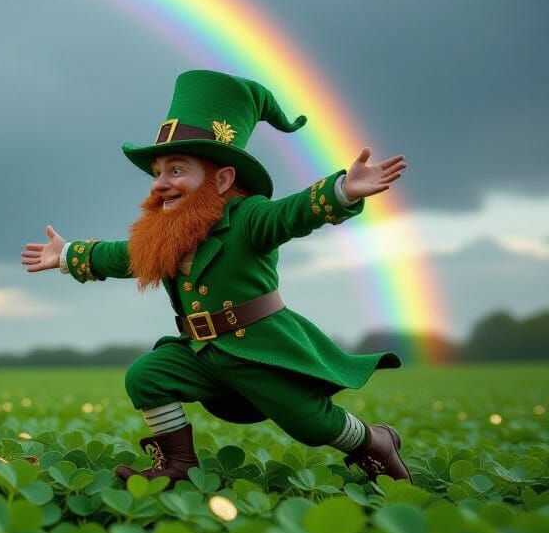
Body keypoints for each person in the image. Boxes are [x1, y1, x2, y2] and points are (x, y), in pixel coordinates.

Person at [21, 69, 412, 486]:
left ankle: (375, 440)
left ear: (222, 179)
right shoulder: (164, 235)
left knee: (312, 426)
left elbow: (291, 214)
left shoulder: (248, 218)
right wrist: (66, 254)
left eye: (176, 171)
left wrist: (343, 191)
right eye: (157, 172)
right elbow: (121, 256)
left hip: (260, 351)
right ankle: (177, 465)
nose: (160, 185)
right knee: (147, 375)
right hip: (203, 353)